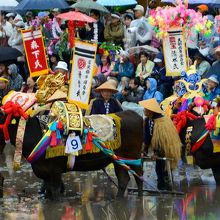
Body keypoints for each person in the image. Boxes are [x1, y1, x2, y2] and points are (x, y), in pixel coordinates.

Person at [139, 98, 181, 190]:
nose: (144, 110)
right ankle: (161, 184)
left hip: (166, 148)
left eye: (145, 109)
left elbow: (162, 140)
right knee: (159, 167)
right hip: (157, 148)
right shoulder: (148, 120)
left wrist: (157, 153)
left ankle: (167, 184)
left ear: (151, 110)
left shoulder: (162, 121)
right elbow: (147, 137)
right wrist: (144, 150)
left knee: (165, 167)